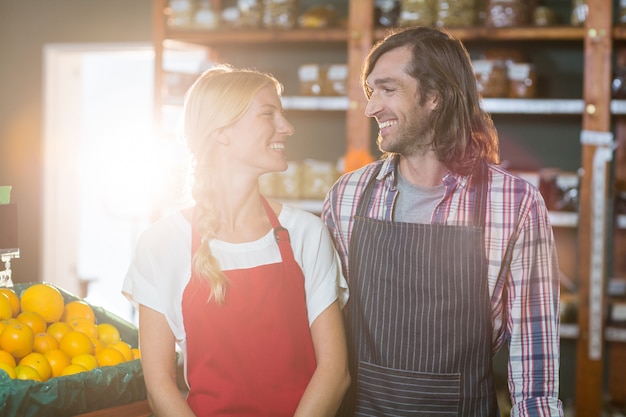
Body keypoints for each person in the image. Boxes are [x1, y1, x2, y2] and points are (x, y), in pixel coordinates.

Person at [321, 26, 563, 416]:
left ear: (435, 95)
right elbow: (322, 334)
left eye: (388, 89)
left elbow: (535, 368)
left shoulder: (514, 203)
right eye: (371, 92)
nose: (371, 108)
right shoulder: (347, 197)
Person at [123, 64, 350, 417]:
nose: (287, 128)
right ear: (222, 132)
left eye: (283, 115)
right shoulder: (162, 243)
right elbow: (159, 386)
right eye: (268, 114)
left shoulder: (306, 234)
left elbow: (335, 374)